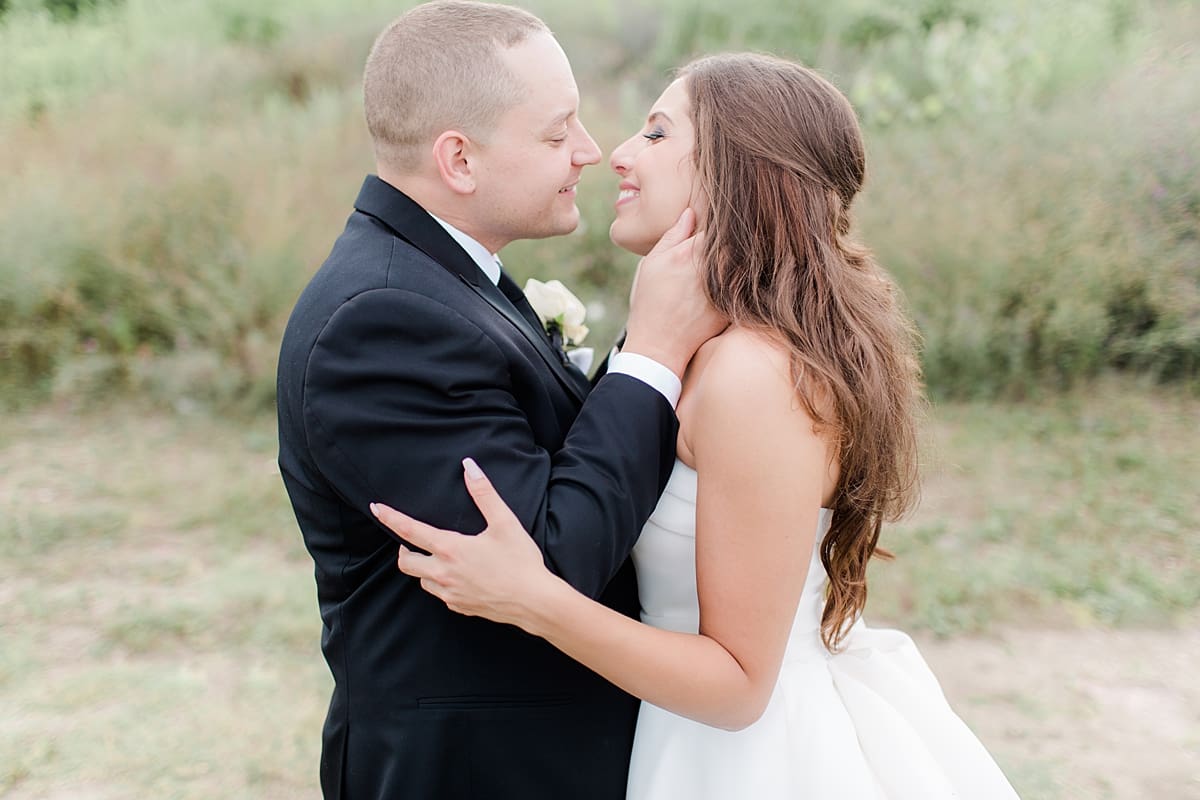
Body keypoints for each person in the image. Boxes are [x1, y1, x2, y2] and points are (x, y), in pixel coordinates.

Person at [374, 53, 1023, 798]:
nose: (614, 152)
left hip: (750, 760)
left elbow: (740, 685)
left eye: (656, 133)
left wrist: (535, 599)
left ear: (737, 172)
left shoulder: (756, 376)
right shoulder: (705, 346)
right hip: (672, 734)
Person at [275, 2, 724, 798]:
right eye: (557, 133)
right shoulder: (379, 321)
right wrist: (651, 353)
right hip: (476, 770)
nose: (588, 152)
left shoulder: (444, 274)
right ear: (459, 160)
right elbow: (550, 560)